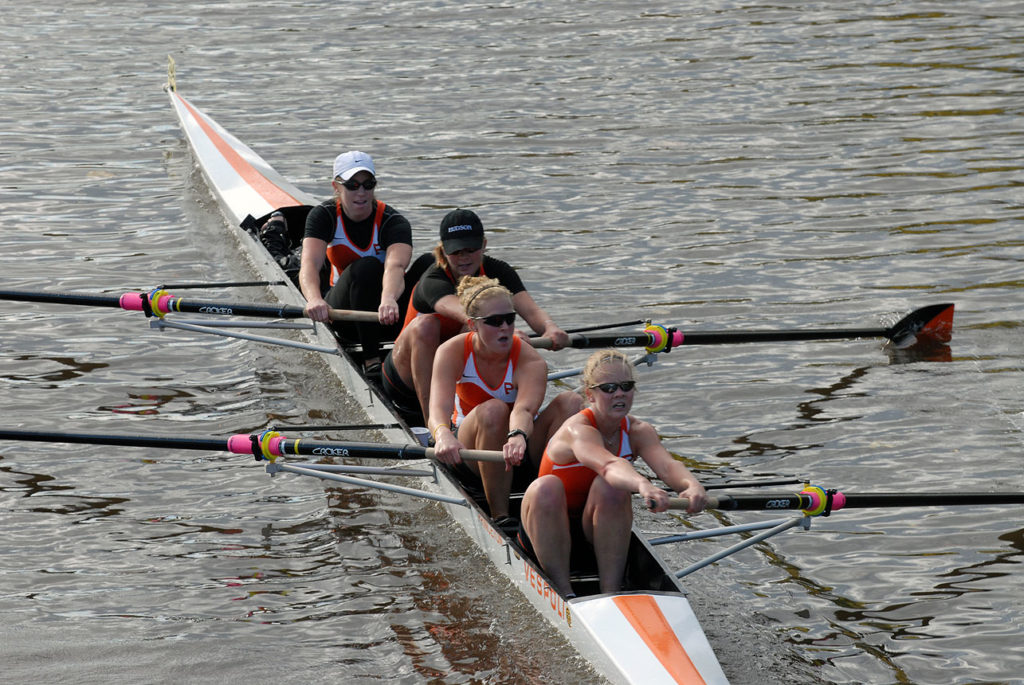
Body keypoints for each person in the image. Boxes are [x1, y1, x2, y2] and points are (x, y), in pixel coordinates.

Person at [520, 349, 708, 597]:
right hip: (543, 529)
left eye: (626, 386)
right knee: (546, 486)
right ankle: (563, 593)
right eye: (608, 388)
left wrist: (692, 486)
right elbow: (608, 465)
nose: (619, 393)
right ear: (590, 394)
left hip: (591, 529)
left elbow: (667, 467)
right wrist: (643, 485)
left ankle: (611, 592)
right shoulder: (578, 429)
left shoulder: (640, 430)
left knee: (611, 488)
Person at [381, 208, 570, 424]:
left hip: (452, 372)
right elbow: (466, 313)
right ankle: (433, 428)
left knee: (479, 327)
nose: (464, 257)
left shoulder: (498, 270)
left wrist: (550, 328)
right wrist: (504, 328)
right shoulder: (433, 279)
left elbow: (532, 310)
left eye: (471, 249)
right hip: (405, 381)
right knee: (433, 325)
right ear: (443, 250)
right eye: (456, 251)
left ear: (484, 245)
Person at [428, 276, 581, 529]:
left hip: (517, 448)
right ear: (473, 325)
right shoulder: (452, 351)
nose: (505, 328)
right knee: (494, 410)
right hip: (470, 454)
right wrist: (442, 434)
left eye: (510, 319)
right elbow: (437, 409)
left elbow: (525, 409)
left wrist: (518, 435)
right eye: (494, 321)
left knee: (571, 403)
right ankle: (500, 516)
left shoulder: (530, 360)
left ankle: (557, 499)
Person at [298, 151, 420, 379]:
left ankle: (436, 345)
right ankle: (371, 360)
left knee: (432, 264)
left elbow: (395, 267)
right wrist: (314, 299)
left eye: (368, 184)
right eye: (352, 185)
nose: (361, 192)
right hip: (343, 315)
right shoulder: (323, 215)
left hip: (386, 312)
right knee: (366, 268)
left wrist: (389, 299)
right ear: (336, 186)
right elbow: (310, 264)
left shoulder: (394, 222)